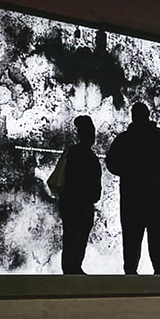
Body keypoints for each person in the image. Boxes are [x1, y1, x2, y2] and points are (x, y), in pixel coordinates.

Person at [105, 103, 160, 274]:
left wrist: (127, 169)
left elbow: (111, 163)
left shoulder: (124, 140)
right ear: (148, 115)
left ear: (133, 116)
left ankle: (131, 278)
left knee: (132, 242)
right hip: (156, 195)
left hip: (132, 197)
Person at [59, 115, 102, 274]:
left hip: (68, 203)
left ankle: (68, 269)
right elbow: (95, 191)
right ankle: (74, 269)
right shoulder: (90, 158)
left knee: (69, 237)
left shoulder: (70, 153)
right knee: (79, 239)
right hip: (83, 206)